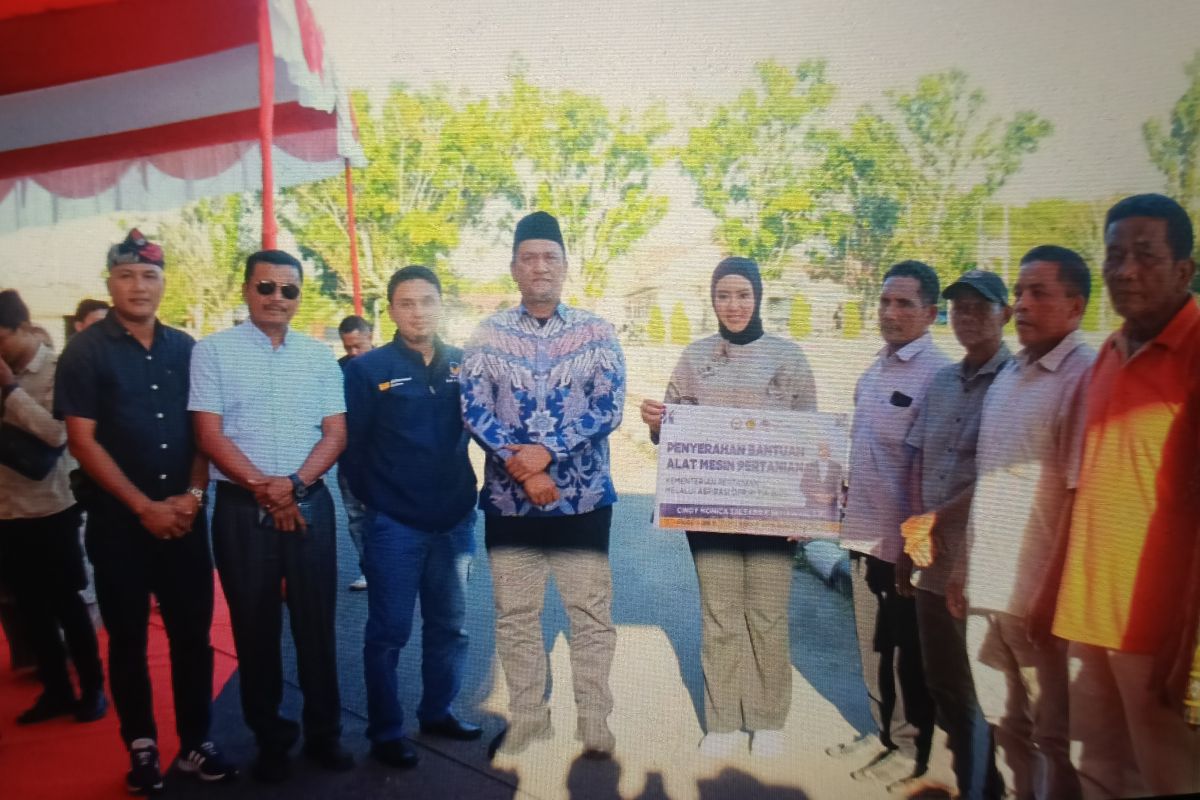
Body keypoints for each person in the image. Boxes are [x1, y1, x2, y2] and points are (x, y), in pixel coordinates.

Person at [55, 229, 235, 793]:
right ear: (110, 282)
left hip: (184, 520)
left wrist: (193, 498)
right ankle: (141, 746)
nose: (139, 286)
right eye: (127, 275)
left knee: (192, 637)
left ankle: (197, 742)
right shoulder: (85, 351)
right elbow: (82, 441)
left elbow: (205, 430)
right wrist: (143, 506)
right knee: (128, 640)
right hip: (119, 526)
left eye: (149, 275)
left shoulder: (187, 348)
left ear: (163, 282)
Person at [1043, 194, 1200, 798]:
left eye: (1145, 255)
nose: (1126, 271)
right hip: (1089, 612)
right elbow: (1088, 483)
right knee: (1096, 769)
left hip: (1158, 629)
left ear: (1184, 270)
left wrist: (1189, 639)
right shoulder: (1108, 353)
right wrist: (1054, 589)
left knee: (1166, 776)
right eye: (1114, 256)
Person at [461, 211, 625, 758]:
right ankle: (529, 717)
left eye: (549, 257)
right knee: (515, 616)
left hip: (583, 503)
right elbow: (474, 410)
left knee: (591, 617)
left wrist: (548, 453)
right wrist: (525, 470)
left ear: (565, 265)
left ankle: (595, 720)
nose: (539, 267)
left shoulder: (596, 333)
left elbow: (609, 407)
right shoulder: (486, 335)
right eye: (528, 258)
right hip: (510, 505)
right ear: (513, 268)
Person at [640, 257, 816, 758]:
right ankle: (722, 721)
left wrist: (806, 512)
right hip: (709, 513)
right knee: (720, 616)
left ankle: (768, 719)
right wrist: (657, 423)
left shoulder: (788, 357)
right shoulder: (695, 358)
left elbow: (809, 439)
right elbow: (673, 436)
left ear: (758, 297)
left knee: (767, 615)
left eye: (743, 295)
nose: (733, 305)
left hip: (771, 514)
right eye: (723, 295)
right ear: (712, 300)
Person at [189, 249, 350, 783]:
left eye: (289, 289)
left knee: (316, 625)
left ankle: (325, 734)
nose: (277, 298)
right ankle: (271, 740)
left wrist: (294, 486)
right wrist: (267, 491)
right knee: (254, 629)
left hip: (309, 502)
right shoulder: (212, 352)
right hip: (242, 510)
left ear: (299, 296)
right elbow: (208, 435)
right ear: (246, 290)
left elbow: (336, 434)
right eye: (266, 287)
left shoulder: (319, 356)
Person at [955, 247, 1092, 800]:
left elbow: (1081, 498)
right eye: (1020, 292)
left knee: (1053, 737)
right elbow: (990, 478)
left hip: (1037, 600)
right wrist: (962, 568)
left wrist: (1052, 594)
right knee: (1002, 721)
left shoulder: (1083, 379)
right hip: (987, 588)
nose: (1023, 305)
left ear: (1076, 306)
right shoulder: (1013, 371)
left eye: (1039, 293)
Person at [343, 266, 481, 769]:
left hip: (454, 521)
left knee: (450, 627)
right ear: (391, 311)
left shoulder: (465, 364)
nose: (418, 312)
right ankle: (385, 731)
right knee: (389, 633)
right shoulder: (367, 370)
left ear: (441, 305)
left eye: (427, 301)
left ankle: (438, 711)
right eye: (406, 303)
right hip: (395, 525)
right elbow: (352, 451)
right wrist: (379, 506)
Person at [835, 260, 949, 786]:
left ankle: (908, 746)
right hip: (861, 529)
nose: (890, 312)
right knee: (869, 644)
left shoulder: (937, 375)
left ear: (930, 312)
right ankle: (880, 731)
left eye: (904, 303)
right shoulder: (875, 367)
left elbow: (932, 469)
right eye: (884, 301)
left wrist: (913, 543)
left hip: (900, 541)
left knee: (904, 650)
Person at [900, 271, 1011, 799]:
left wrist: (938, 520)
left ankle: (986, 786)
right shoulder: (942, 381)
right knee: (942, 678)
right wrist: (914, 534)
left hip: (982, 557)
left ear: (1004, 315)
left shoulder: (1013, 381)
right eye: (959, 308)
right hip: (931, 552)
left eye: (979, 308)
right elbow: (920, 460)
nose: (967, 317)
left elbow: (998, 476)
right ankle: (959, 779)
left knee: (981, 690)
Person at [0, 290, 106, 727]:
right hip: (6, 510)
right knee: (30, 609)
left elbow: (56, 433)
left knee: (67, 603)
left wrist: (10, 390)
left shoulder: (60, 369)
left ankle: (93, 688)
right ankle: (56, 691)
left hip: (53, 508)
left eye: (1, 338)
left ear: (23, 329)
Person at [336, 314, 374, 592]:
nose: (353, 352)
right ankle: (368, 569)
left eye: (358, 346)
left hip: (383, 461)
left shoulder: (386, 364)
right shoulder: (337, 370)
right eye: (348, 347)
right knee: (356, 517)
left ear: (370, 336)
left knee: (383, 516)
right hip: (350, 460)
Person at [799, 441, 842, 520]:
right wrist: (816, 495)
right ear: (818, 451)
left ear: (829, 451)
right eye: (821, 449)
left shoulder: (837, 467)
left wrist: (831, 496)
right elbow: (803, 486)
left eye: (826, 449)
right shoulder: (809, 466)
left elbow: (840, 487)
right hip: (812, 507)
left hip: (830, 508)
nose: (824, 452)